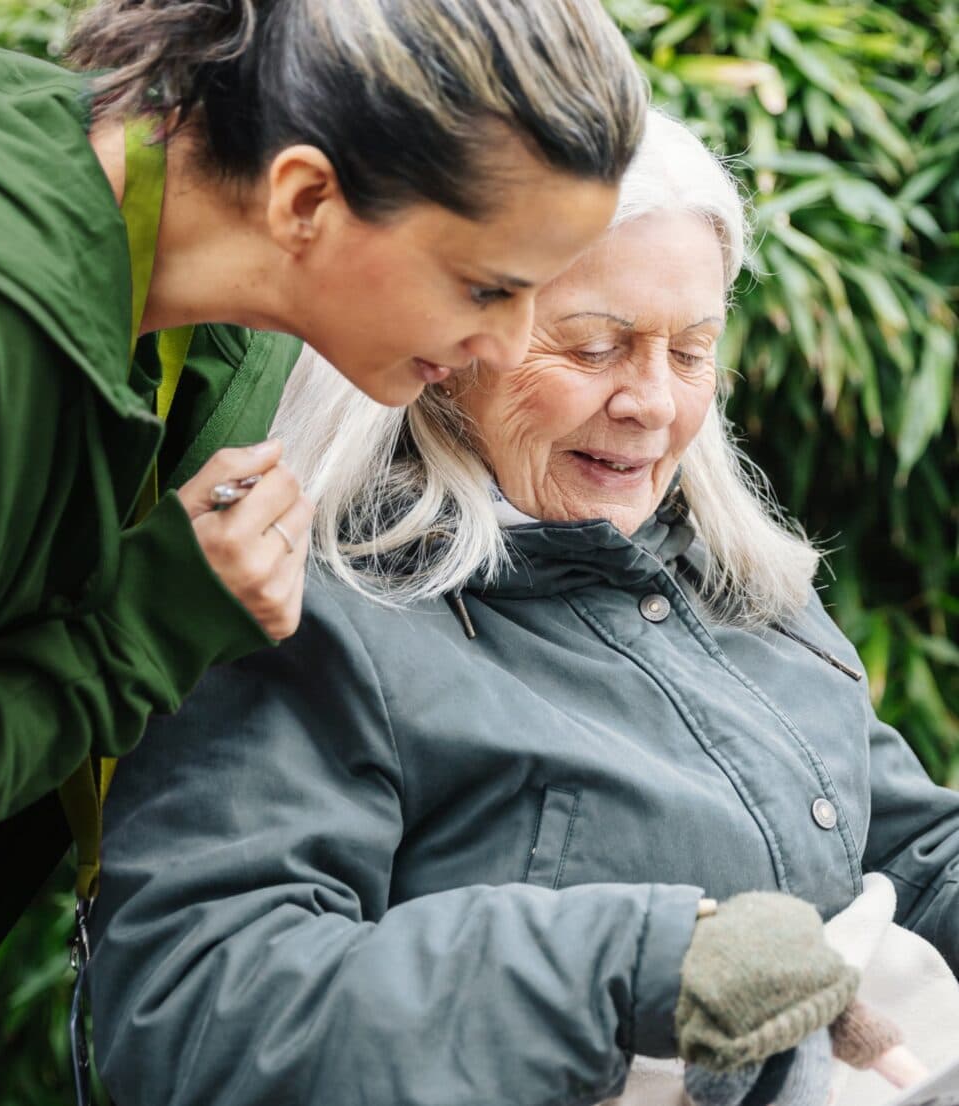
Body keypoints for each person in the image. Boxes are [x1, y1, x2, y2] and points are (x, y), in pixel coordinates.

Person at [86, 111, 959, 1105]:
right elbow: (197, 1010)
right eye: (593, 346)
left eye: (690, 350)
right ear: (449, 338)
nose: (653, 402)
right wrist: (639, 961)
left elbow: (905, 847)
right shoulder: (314, 610)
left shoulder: (721, 572)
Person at [0, 0, 642, 989]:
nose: (504, 345)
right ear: (305, 201)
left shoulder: (170, 255)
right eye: (487, 287)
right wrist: (143, 629)